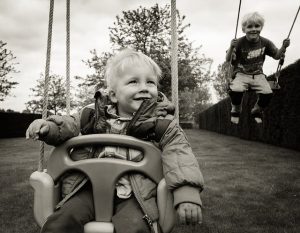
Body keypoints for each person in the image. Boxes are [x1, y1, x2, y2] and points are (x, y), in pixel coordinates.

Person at [26, 49, 204, 233]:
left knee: (134, 227)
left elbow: (180, 153)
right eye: (133, 82)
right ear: (113, 95)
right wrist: (49, 128)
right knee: (61, 222)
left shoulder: (163, 124)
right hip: (86, 188)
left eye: (150, 82)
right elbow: (69, 125)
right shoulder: (91, 116)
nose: (144, 87)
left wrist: (186, 193)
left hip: (137, 196)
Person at [226, 12, 290, 124]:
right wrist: (231, 47)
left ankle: (256, 110)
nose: (253, 29)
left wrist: (283, 47)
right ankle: (236, 109)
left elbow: (276, 56)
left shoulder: (265, 42)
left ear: (261, 27)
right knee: (235, 90)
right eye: (249, 26)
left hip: (258, 74)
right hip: (241, 74)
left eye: (257, 26)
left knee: (268, 94)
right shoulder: (239, 43)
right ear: (243, 29)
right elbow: (228, 60)